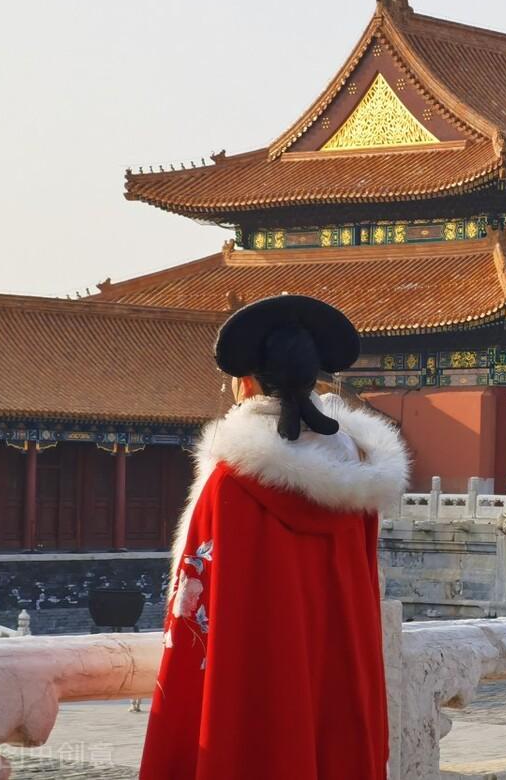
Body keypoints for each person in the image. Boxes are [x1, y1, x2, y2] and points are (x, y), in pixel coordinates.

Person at [139, 295, 410, 780]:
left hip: (256, 684)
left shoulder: (232, 482)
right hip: (340, 674)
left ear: (246, 383)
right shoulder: (359, 477)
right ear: (315, 381)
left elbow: (196, 609)